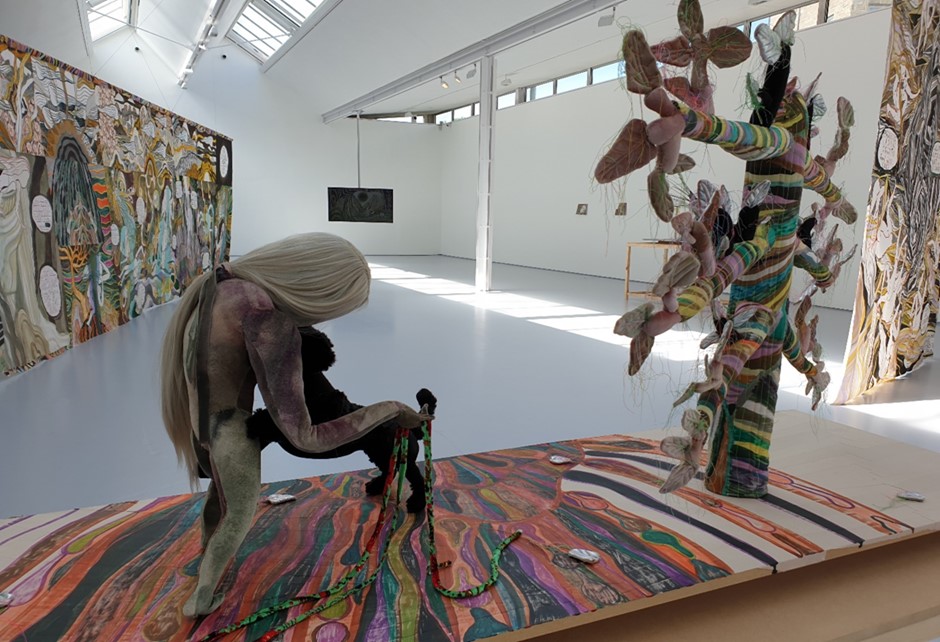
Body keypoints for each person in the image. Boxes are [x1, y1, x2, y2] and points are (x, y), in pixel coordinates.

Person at [160, 232, 431, 617]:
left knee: (221, 497)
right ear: (320, 290)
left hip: (203, 420)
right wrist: (391, 409)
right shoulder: (266, 319)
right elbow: (307, 437)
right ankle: (200, 600)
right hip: (231, 430)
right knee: (238, 514)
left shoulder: (223, 286)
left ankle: (207, 555)